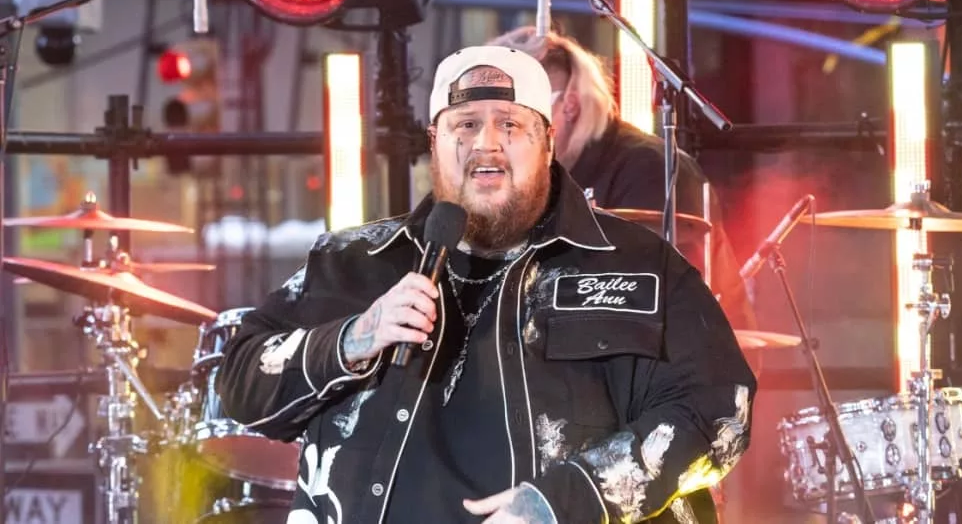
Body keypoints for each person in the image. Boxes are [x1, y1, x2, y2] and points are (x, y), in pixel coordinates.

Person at [216, 45, 756, 524]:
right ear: (436, 141)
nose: (487, 144)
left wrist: (569, 501)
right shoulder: (351, 261)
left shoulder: (639, 266)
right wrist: (354, 337)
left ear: (547, 142)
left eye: (510, 124)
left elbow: (718, 411)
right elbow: (238, 381)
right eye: (466, 124)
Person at [488, 27, 756, 331]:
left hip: (680, 364)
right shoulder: (541, 180)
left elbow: (640, 302)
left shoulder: (647, 168)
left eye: (512, 117)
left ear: (569, 106)